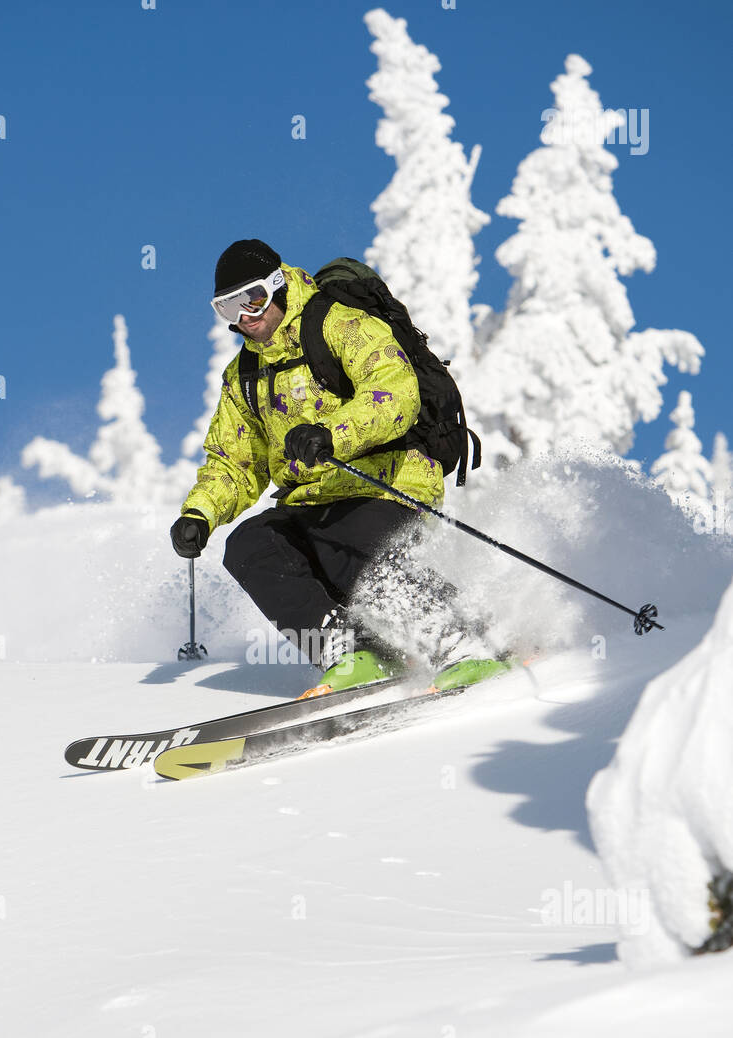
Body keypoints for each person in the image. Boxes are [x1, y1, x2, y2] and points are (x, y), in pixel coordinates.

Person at [170, 238, 508, 696]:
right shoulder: (245, 376)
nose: (244, 317)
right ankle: (353, 650)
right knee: (252, 546)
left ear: (277, 287)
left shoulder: (338, 325)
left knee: (344, 538)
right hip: (314, 500)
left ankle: (464, 643)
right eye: (228, 310)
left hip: (388, 479)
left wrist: (333, 434)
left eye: (251, 299)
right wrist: (200, 512)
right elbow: (235, 459)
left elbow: (395, 390)